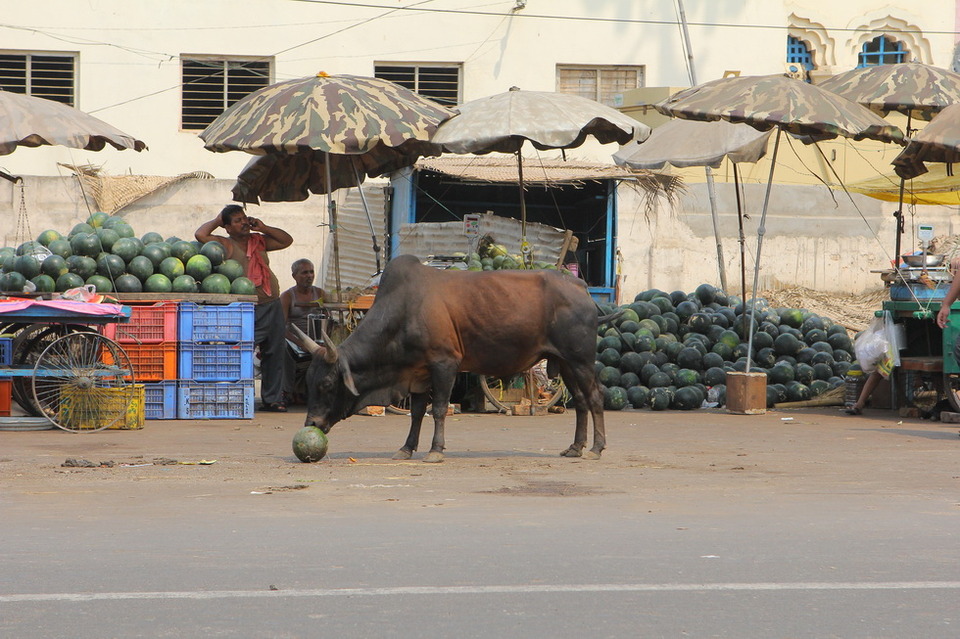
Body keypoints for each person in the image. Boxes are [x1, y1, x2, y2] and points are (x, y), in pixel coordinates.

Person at [196, 205, 293, 412]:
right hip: (246, 308)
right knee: (241, 351)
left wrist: (264, 227)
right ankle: (234, 397)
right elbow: (200, 234)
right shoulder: (225, 244)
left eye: (244, 218)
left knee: (275, 351)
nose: (244, 223)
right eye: (238, 220)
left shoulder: (259, 241)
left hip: (271, 302)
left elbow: (287, 240)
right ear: (227, 227)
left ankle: (273, 399)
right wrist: (217, 219)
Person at [280, 259, 325, 404]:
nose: (309, 275)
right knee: (283, 349)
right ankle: (286, 391)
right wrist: (301, 343)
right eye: (304, 272)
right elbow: (281, 327)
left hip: (317, 340)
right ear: (294, 276)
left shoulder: (320, 293)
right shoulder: (287, 296)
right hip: (294, 341)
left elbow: (329, 318)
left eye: (311, 272)